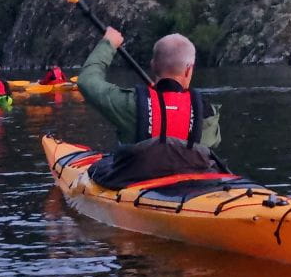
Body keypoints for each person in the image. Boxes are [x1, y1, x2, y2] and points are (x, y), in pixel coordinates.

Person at [76, 27, 224, 187]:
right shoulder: (206, 110)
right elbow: (211, 142)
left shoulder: (131, 103)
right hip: (194, 186)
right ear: (189, 70)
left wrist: (108, 43)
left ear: (153, 66)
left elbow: (87, 81)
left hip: (136, 181)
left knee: (102, 165)